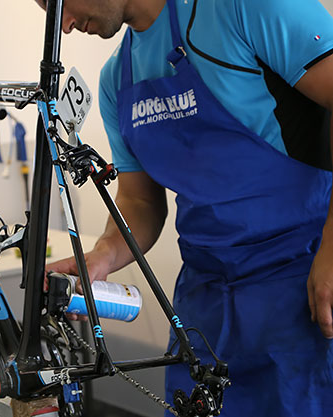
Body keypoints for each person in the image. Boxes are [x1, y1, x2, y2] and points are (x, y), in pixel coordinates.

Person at [36, 0, 333, 415]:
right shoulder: (116, 81)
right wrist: (102, 255)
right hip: (205, 307)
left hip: (303, 285)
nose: (63, 26)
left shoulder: (248, 8)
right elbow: (140, 201)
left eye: (57, 4)